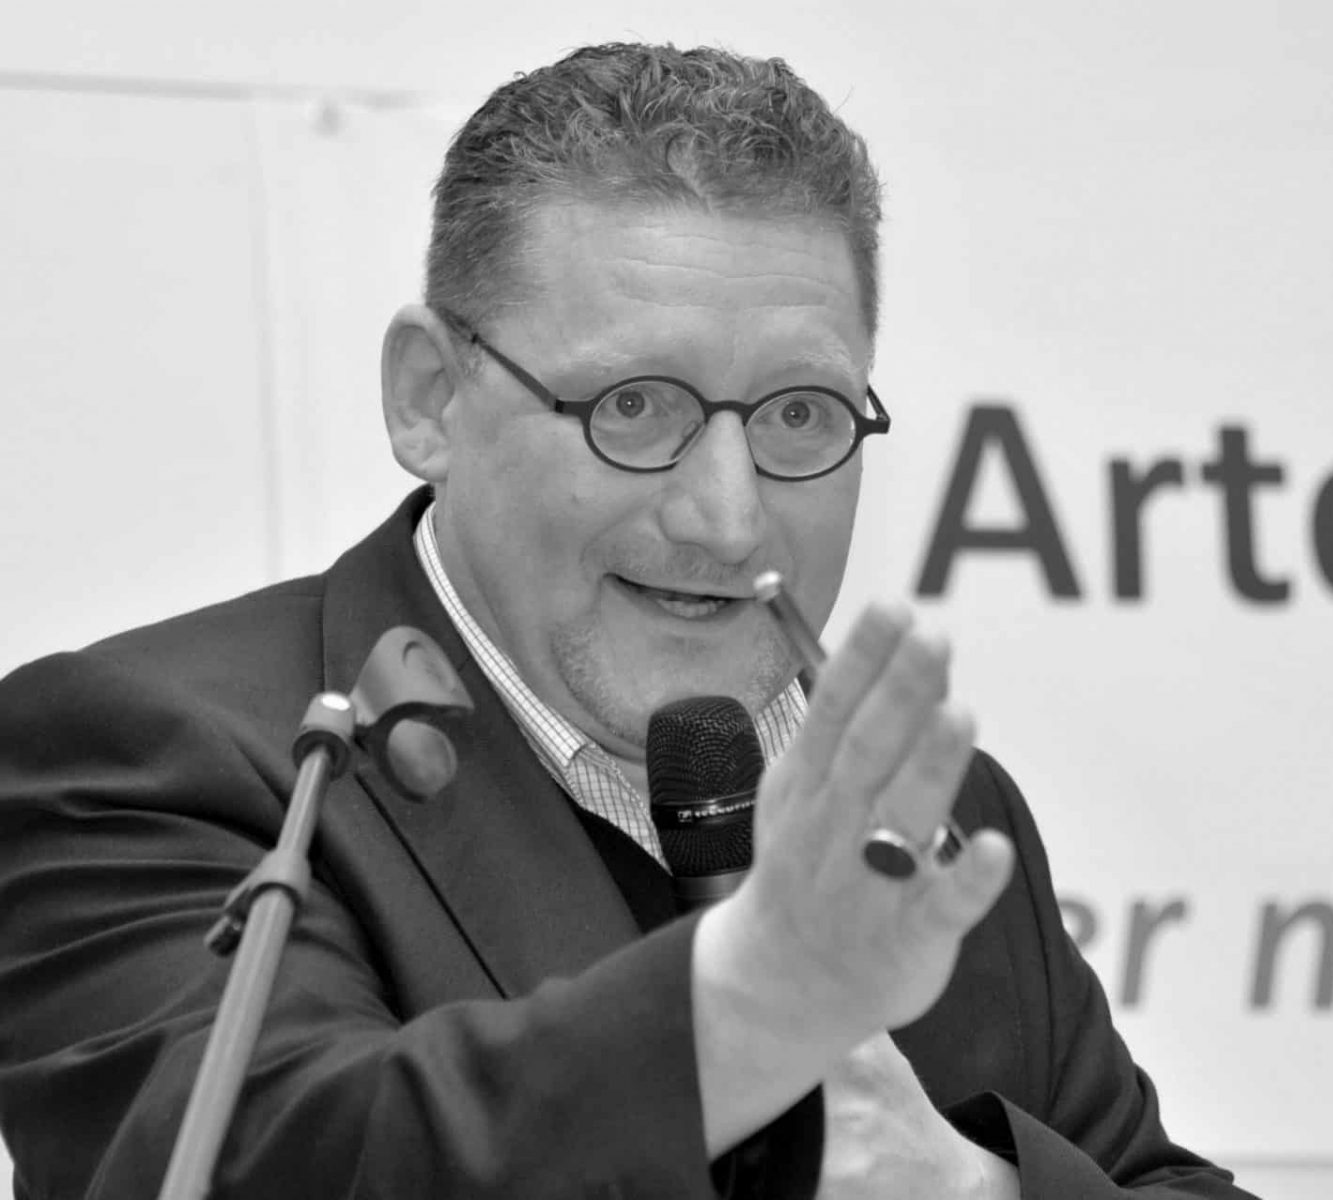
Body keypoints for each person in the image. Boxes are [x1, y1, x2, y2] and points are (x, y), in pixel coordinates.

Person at [0, 43, 1257, 1199]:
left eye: (800, 415)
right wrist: (751, 1010)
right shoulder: (153, 753)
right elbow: (271, 1161)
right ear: (430, 399)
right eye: (637, 407)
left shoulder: (928, 809)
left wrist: (972, 1191)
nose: (729, 518)